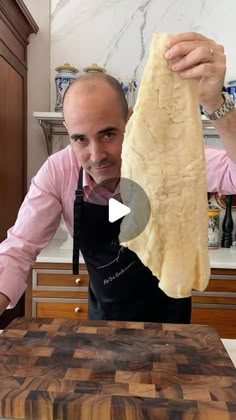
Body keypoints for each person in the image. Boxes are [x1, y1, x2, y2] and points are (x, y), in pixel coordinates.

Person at [0, 32, 236, 322]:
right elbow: (18, 249)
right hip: (103, 329)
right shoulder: (58, 171)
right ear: (67, 129)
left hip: (173, 331)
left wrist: (215, 103)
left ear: (131, 119)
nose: (96, 155)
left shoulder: (170, 156)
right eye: (80, 140)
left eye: (108, 134)